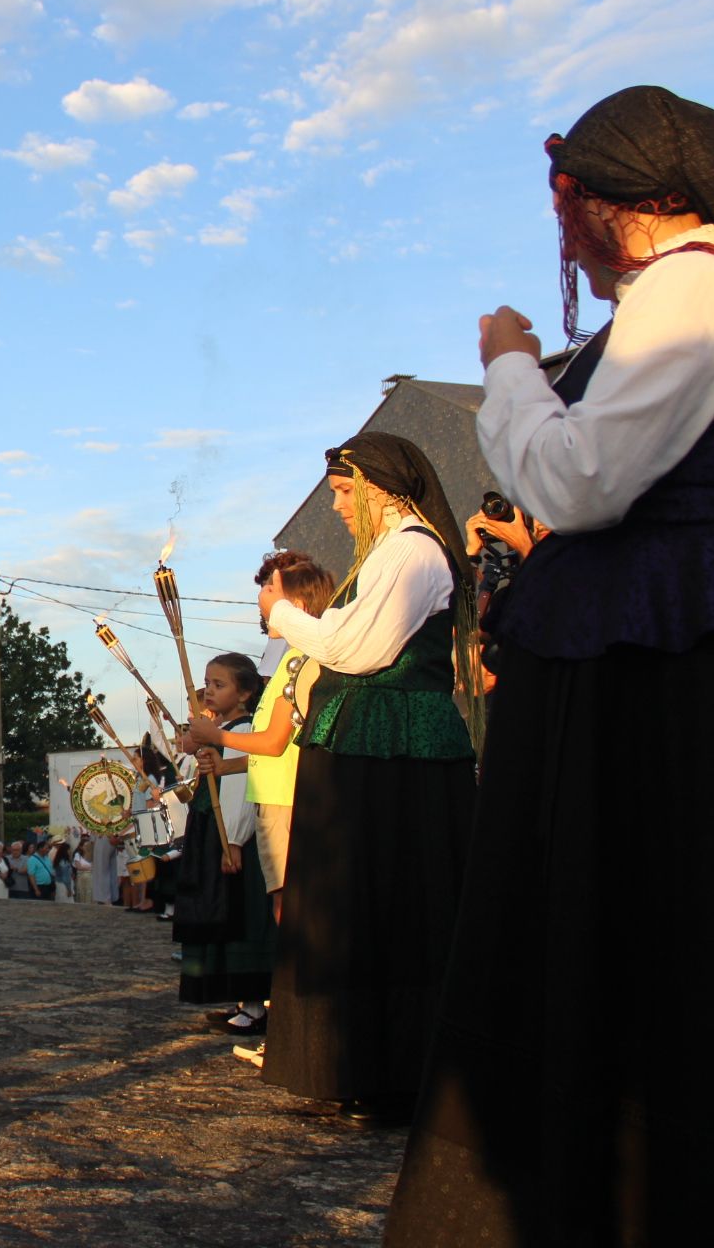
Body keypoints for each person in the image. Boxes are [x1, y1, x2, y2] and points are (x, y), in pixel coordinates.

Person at [388, 88, 714, 1245]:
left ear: (607, 197)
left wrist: (512, 365)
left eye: (570, 203)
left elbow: (577, 483)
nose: (566, 232)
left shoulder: (693, 285)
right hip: (681, 642)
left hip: (668, 660)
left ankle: (631, 1181)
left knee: (648, 919)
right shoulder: (707, 291)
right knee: (686, 920)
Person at [256, 432, 482, 1127]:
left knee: (391, 900)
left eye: (347, 492)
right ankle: (358, 1064)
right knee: (356, 906)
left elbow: (361, 648)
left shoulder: (413, 549)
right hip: (366, 743)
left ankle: (394, 1068)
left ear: (385, 487)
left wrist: (284, 617)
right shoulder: (386, 555)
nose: (340, 506)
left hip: (396, 749)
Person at [187, 553, 337, 921]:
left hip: (284, 801)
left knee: (289, 905)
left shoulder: (300, 660)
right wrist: (228, 766)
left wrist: (217, 738)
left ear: (296, 606)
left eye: (271, 591)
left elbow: (273, 742)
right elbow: (273, 752)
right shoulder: (291, 660)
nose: (261, 600)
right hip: (275, 795)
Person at [175, 654, 271, 1033]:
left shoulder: (244, 733)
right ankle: (239, 999)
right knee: (222, 916)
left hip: (231, 837)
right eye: (208, 684)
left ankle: (254, 1004)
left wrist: (233, 840)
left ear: (245, 692)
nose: (209, 692)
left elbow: (242, 793)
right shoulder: (225, 731)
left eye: (220, 685)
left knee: (240, 918)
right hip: (214, 834)